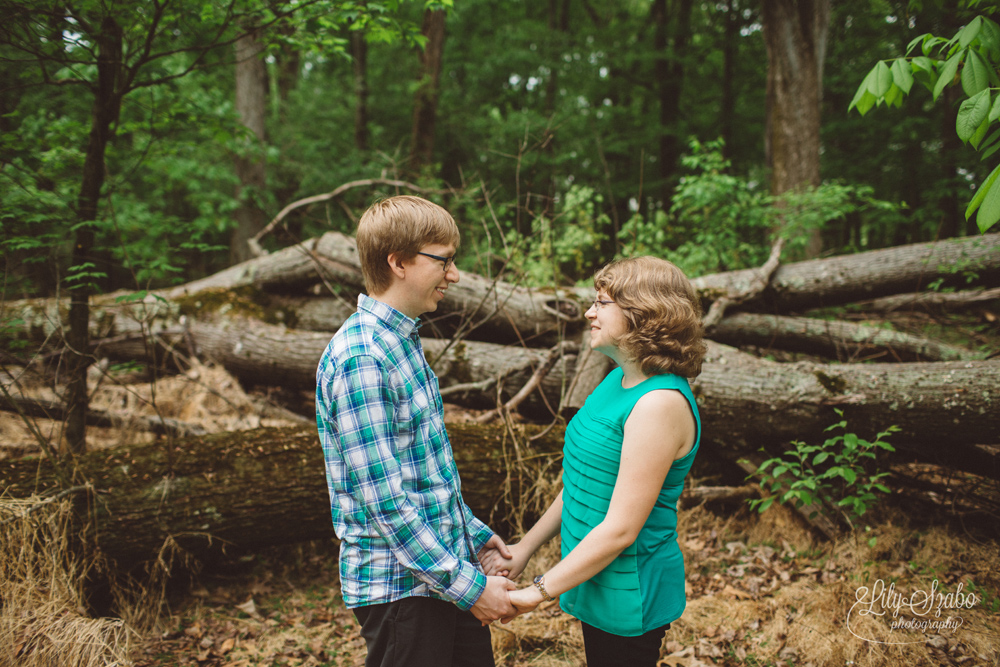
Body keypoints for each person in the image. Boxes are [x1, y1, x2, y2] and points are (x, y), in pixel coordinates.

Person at [316, 195, 516, 667]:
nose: (455, 274)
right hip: (402, 591)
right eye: (443, 260)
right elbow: (386, 504)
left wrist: (473, 533)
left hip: (440, 576)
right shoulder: (362, 357)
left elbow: (423, 475)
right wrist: (471, 590)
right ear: (398, 262)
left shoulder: (401, 341)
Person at [481, 256, 707, 667]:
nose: (589, 312)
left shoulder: (659, 404)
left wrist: (536, 593)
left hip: (629, 587)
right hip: (592, 573)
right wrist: (525, 548)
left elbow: (621, 529)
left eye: (602, 302)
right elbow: (585, 484)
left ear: (644, 314)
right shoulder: (618, 378)